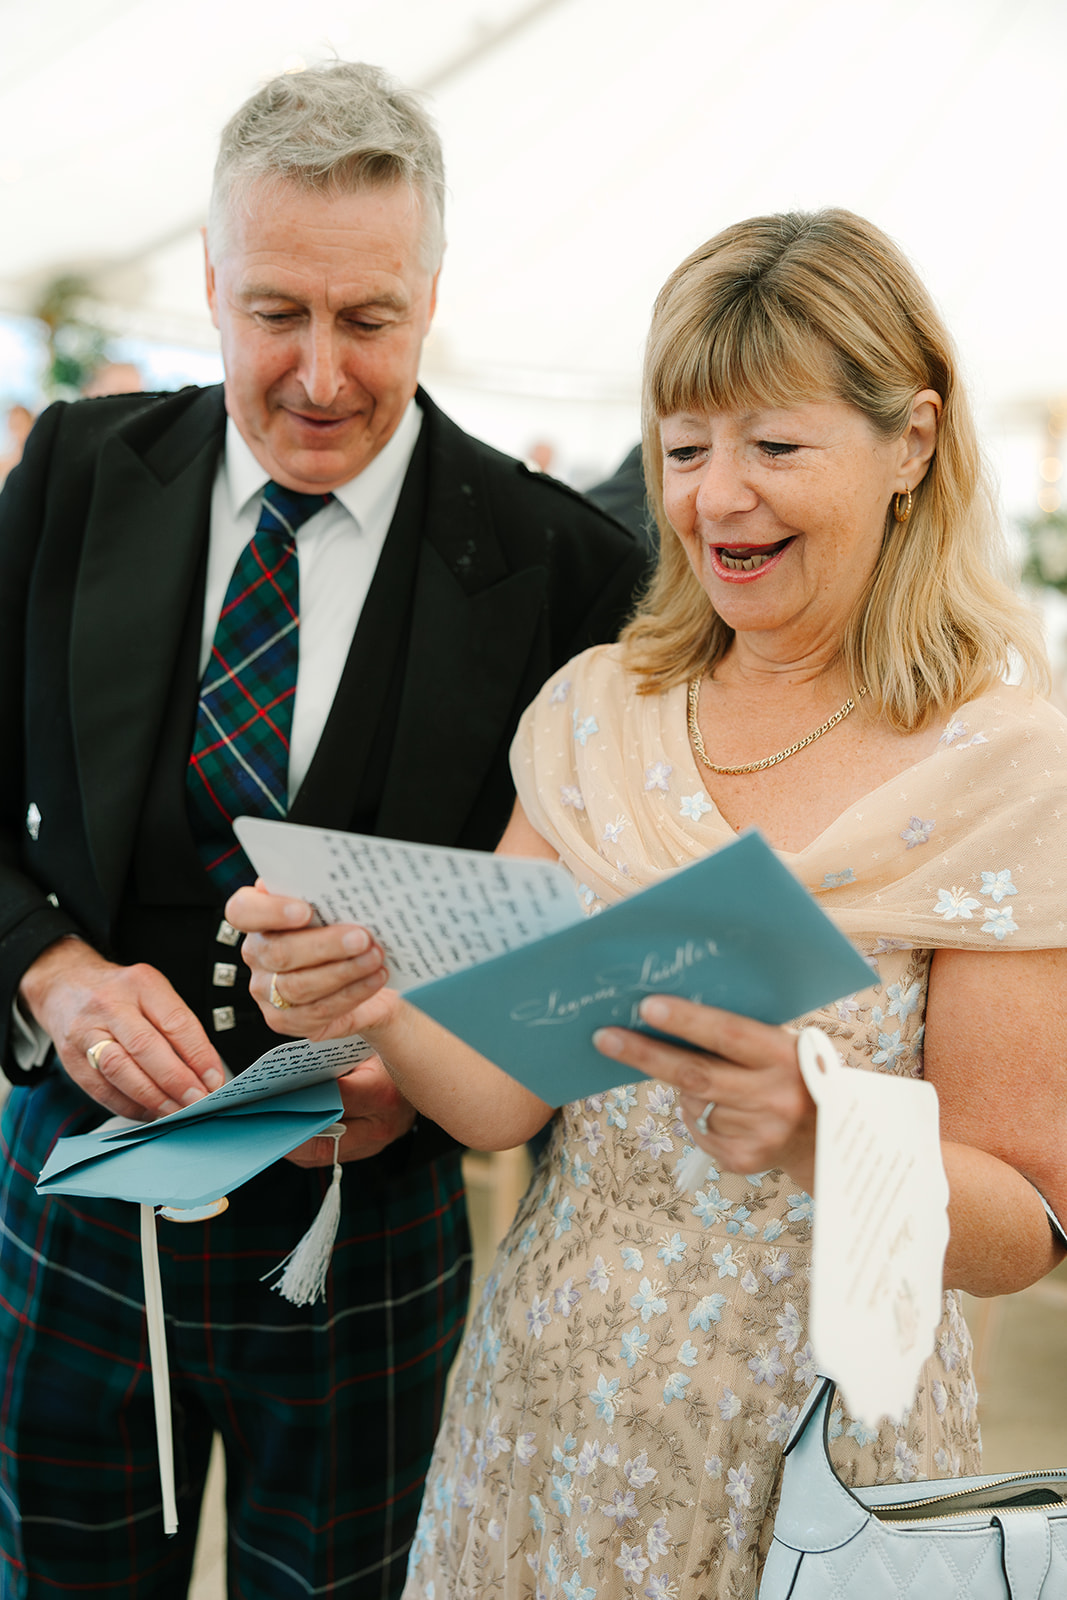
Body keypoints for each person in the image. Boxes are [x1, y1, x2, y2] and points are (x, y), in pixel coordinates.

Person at [230, 208, 1067, 1599]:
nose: (714, 500)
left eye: (774, 447)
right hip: (545, 1430)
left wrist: (826, 1139)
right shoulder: (594, 715)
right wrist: (370, 991)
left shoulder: (1008, 770)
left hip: (821, 1468)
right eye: (685, 450)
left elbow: (1026, 1223)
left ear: (912, 441)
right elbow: (501, 1100)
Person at [0, 61, 645, 1598]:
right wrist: (52, 975)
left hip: (367, 1240)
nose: (320, 375)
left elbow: (588, 932)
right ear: (214, 282)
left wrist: (432, 1082)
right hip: (74, 1202)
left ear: (433, 297)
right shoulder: (79, 474)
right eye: (275, 312)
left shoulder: (562, 565)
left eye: (370, 322)